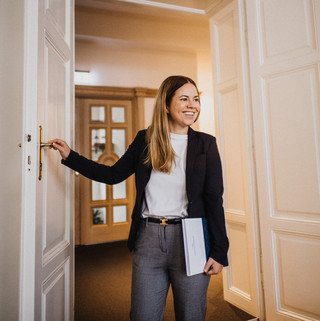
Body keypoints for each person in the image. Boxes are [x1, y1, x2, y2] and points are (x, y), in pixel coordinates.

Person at [50, 75, 229, 321]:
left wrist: (220, 251)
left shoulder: (206, 144)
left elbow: (213, 200)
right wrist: (71, 157)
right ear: (166, 105)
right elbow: (113, 174)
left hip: (192, 240)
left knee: (191, 315)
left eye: (196, 99)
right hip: (148, 239)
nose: (192, 105)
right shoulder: (145, 139)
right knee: (143, 315)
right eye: (184, 99)